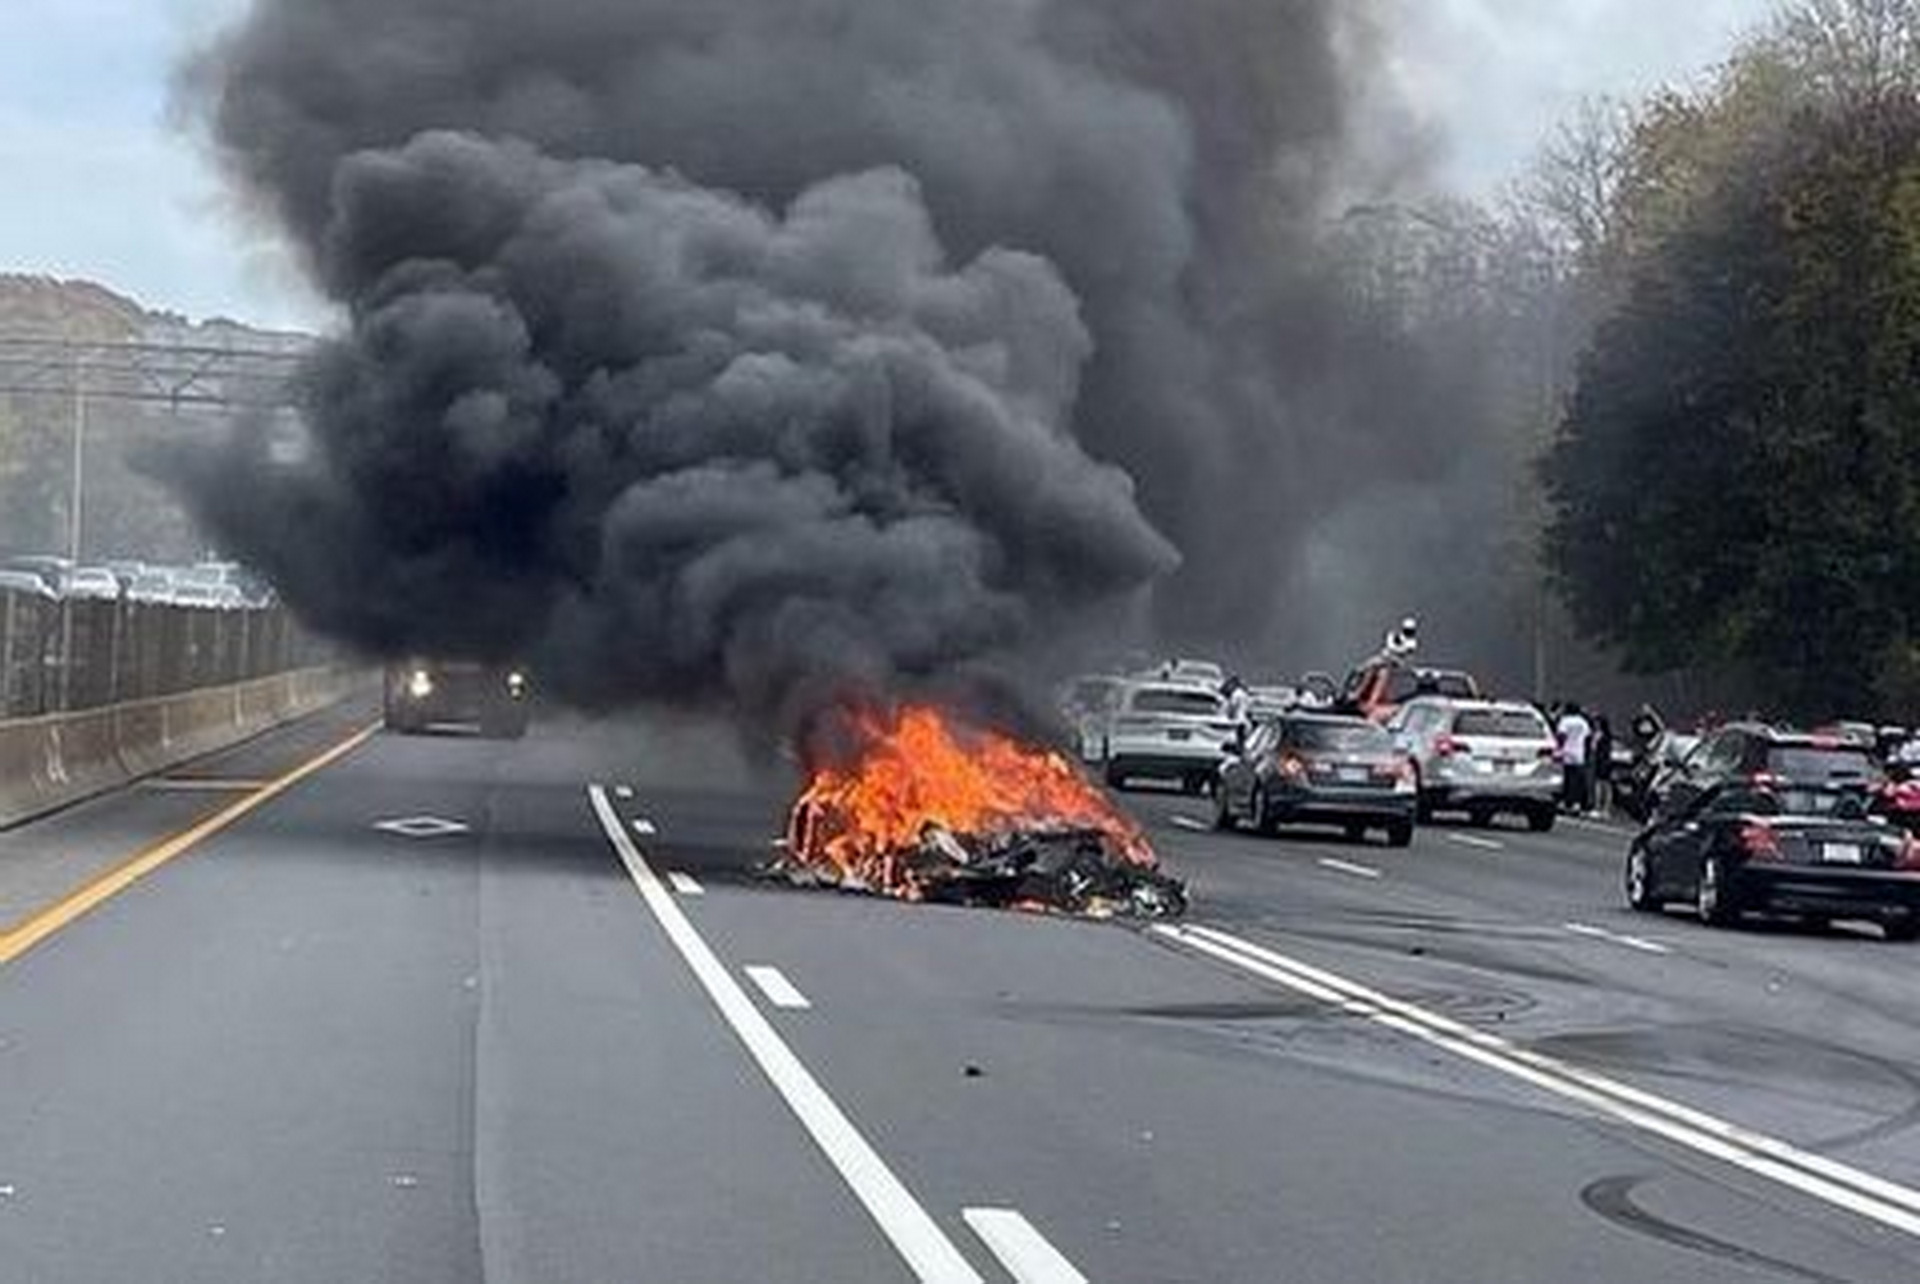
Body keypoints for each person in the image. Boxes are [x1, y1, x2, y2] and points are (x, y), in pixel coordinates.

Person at [1556, 702, 1595, 814]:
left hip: (1566, 752)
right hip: (1579, 752)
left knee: (1566, 778)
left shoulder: (1565, 720)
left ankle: (1565, 802)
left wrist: (1559, 748)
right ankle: (1576, 803)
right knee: (1577, 780)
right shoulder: (1583, 722)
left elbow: (1561, 735)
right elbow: (1588, 737)